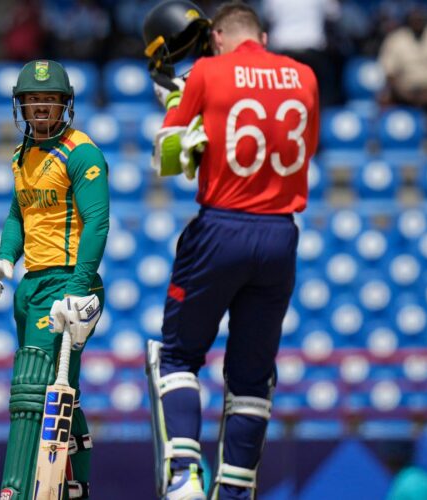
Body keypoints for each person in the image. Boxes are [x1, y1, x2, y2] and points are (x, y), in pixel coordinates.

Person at [143, 2, 319, 500]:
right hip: (281, 232)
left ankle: (183, 475)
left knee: (176, 356)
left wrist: (180, 111)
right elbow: (301, 149)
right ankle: (236, 490)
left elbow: (170, 159)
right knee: (252, 376)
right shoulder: (304, 76)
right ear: (261, 35)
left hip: (222, 226)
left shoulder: (207, 72)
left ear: (217, 35)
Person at [0, 59, 109, 499]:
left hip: (68, 281)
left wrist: (77, 290)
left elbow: (97, 223)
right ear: (21, 105)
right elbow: (19, 214)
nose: (40, 109)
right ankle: (73, 483)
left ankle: (17, 490)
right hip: (31, 284)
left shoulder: (82, 152)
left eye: (49, 100)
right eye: (33, 100)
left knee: (32, 389)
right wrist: (2, 260)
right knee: (58, 390)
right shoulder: (21, 153)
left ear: (65, 105)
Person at [378, 5, 427, 113]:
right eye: (414, 20)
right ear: (408, 20)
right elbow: (389, 74)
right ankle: (384, 128)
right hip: (403, 92)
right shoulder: (395, 39)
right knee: (384, 98)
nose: (417, 22)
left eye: (420, 19)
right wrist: (403, 93)